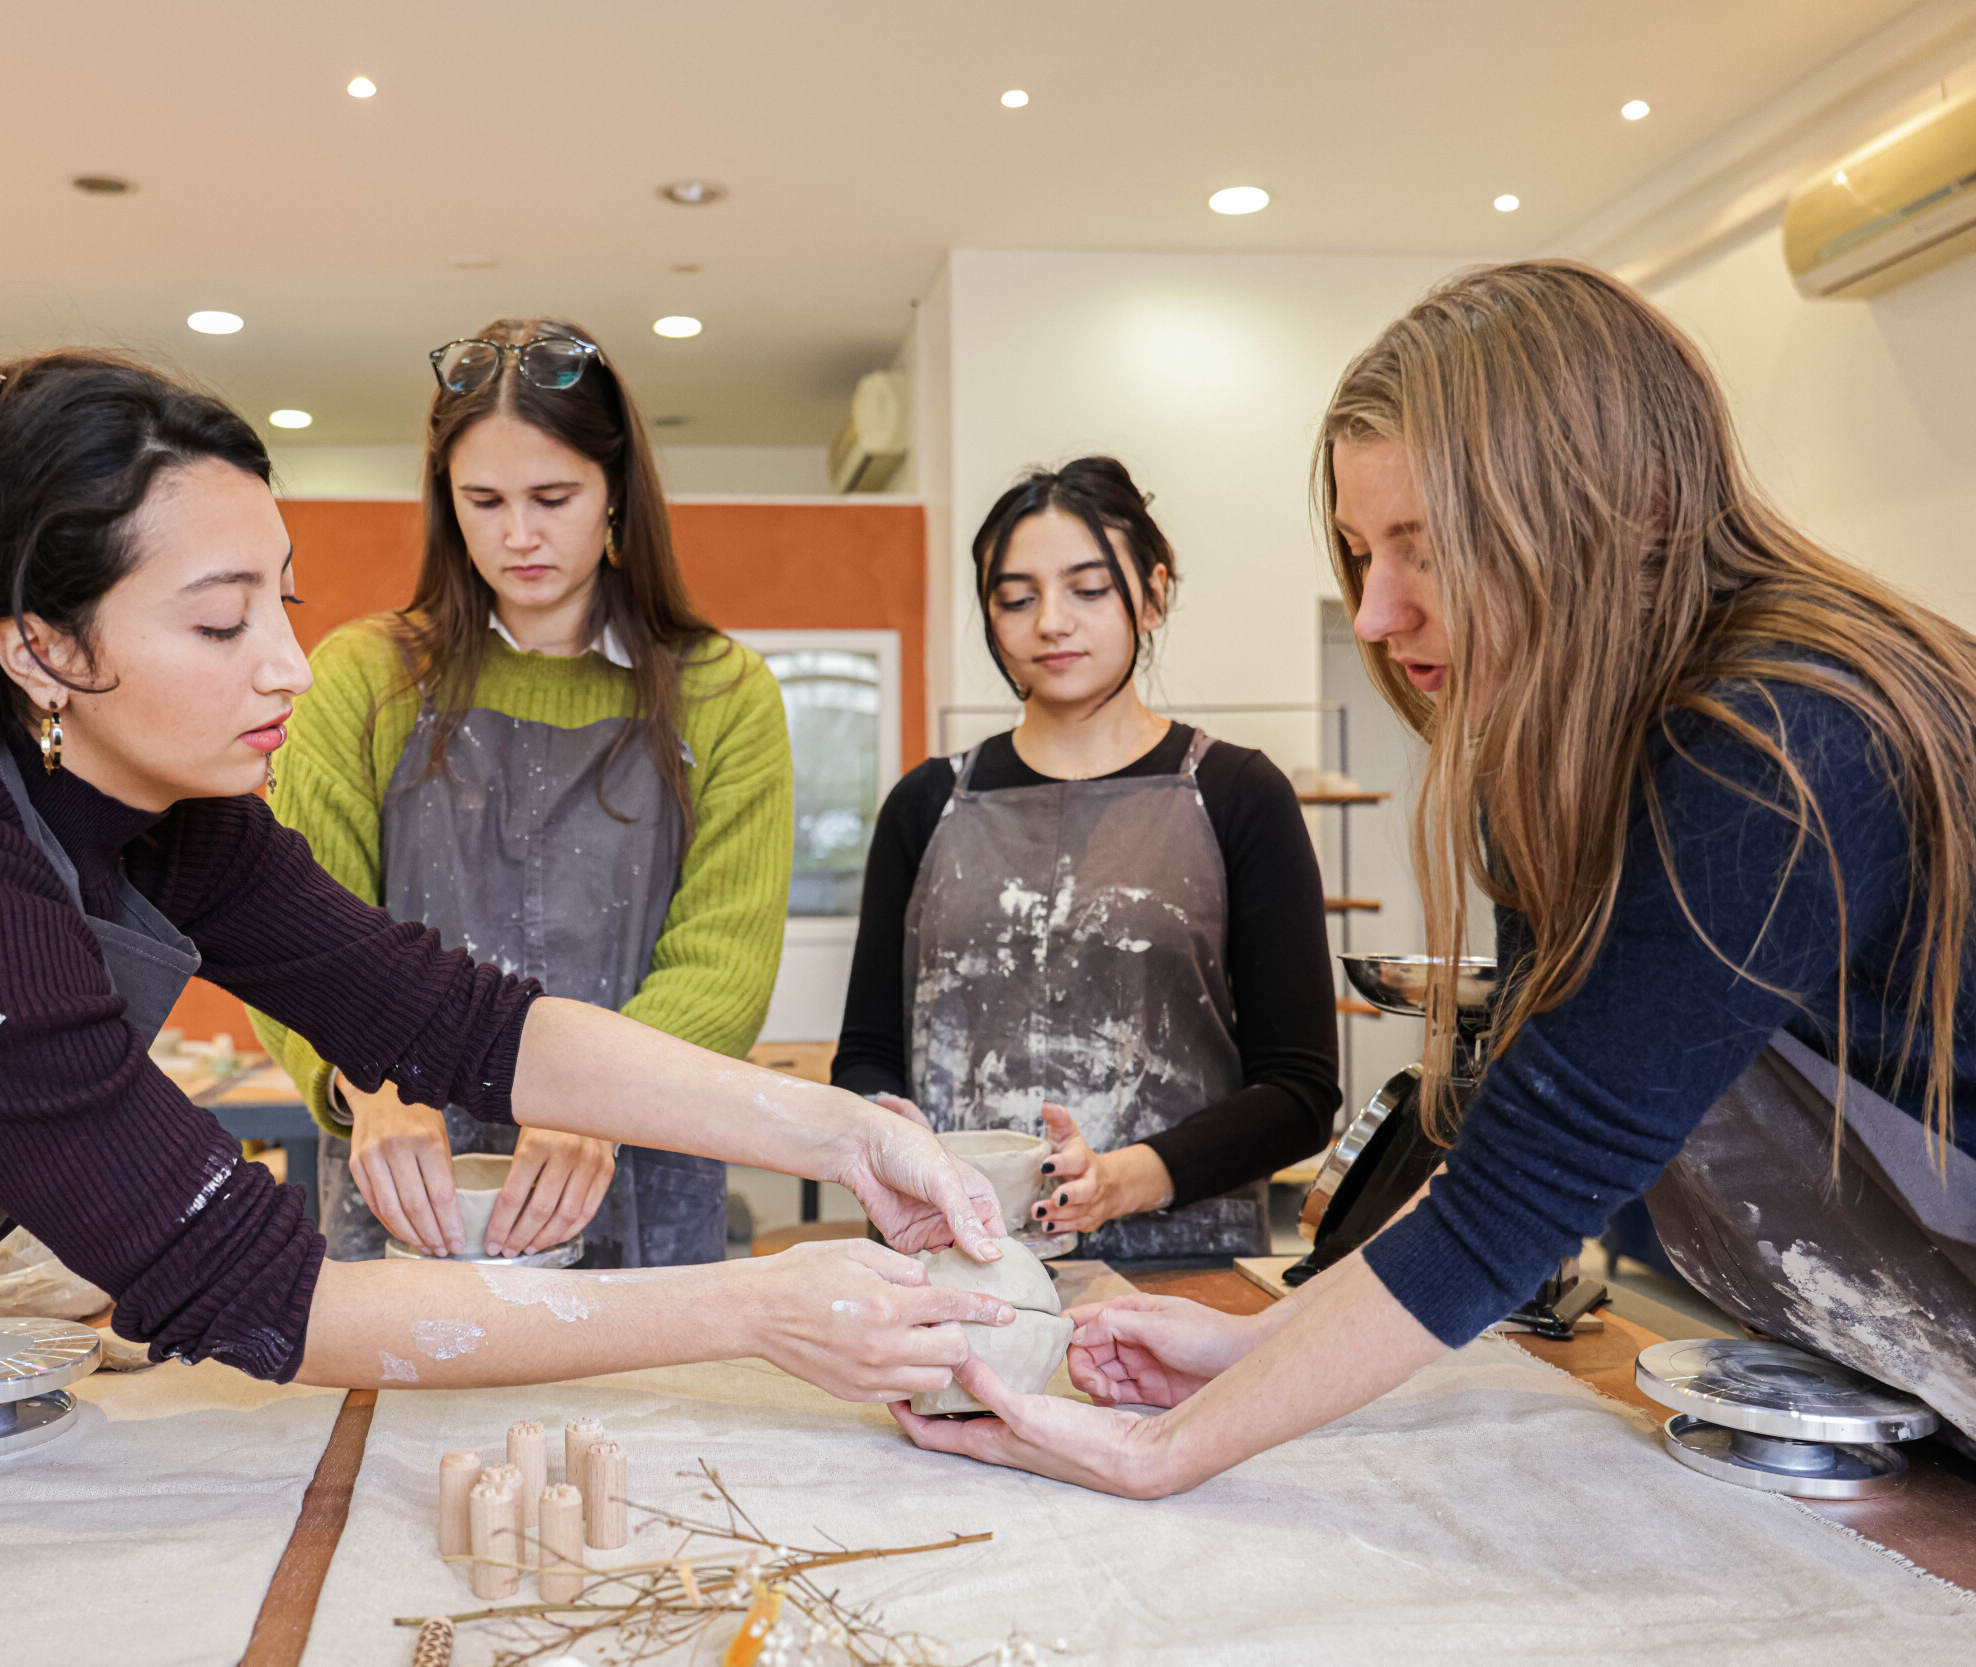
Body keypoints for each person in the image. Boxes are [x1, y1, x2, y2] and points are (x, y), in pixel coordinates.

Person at [0, 352, 1009, 1550]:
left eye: (284, 599)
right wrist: (756, 1306)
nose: (287, 662)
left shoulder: (152, 799)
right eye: (219, 623)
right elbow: (261, 1291)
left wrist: (848, 1134)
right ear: (40, 644)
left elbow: (455, 1013)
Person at [894, 260, 1976, 1493]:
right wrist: (1258, 1343)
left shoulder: (1781, 738)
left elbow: (1528, 1182)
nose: (1369, 610)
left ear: (1635, 507)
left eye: (1424, 546)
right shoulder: (1553, 757)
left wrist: (1165, 1449)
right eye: (1360, 551)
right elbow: (1500, 1152)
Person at [251, 318, 791, 1268]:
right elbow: (297, 926)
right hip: (407, 1182)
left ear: (617, 490)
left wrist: (599, 1100)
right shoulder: (362, 676)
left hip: (641, 1168)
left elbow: (723, 962)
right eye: (484, 499)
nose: (519, 535)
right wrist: (369, 1082)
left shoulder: (722, 691)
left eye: (554, 496)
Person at [833, 458, 1339, 1265]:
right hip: (952, 1266)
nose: (1051, 623)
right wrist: (894, 1140)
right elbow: (866, 1054)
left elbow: (1300, 1093)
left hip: (1179, 1269)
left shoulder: (1240, 793)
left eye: (1088, 589)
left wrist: (1124, 1180)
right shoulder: (925, 804)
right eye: (1017, 597)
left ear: (1154, 592)